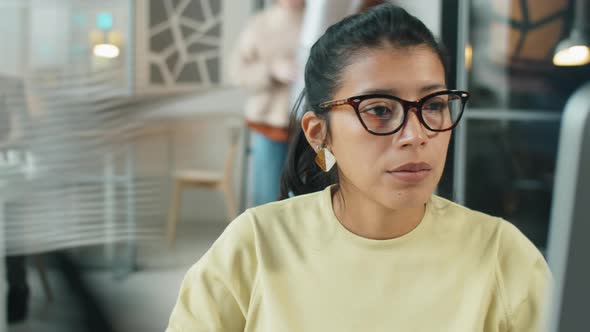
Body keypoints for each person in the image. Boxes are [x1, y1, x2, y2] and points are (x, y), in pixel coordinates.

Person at [167, 4, 550, 331]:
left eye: (433, 105)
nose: (415, 135)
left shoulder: (502, 255)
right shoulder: (254, 247)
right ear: (320, 134)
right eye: (380, 110)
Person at [230, 0, 304, 206]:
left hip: (311, 127)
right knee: (267, 198)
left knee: (306, 199)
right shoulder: (259, 24)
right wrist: (271, 70)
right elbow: (237, 73)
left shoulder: (319, 21)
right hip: (270, 124)